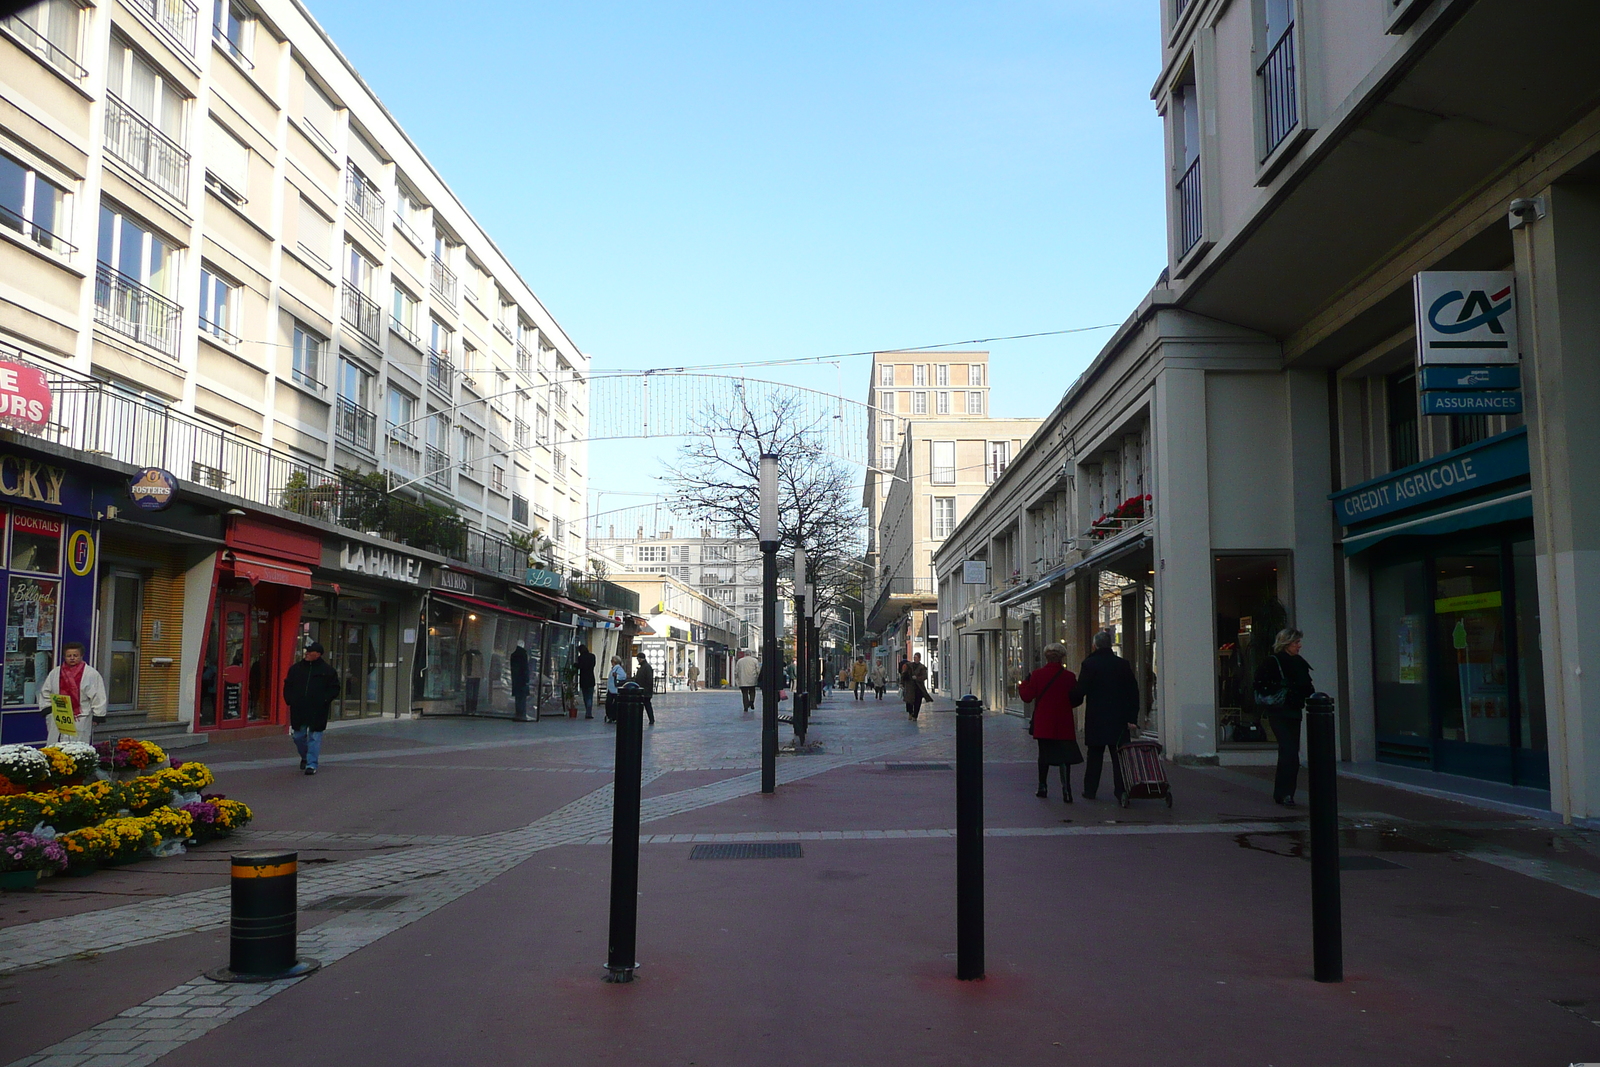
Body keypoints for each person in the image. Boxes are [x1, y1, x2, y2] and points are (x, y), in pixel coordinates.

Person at [1072, 631, 1140, 801]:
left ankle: (1090, 790)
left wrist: (1069, 702)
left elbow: (1081, 691)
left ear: (1095, 645)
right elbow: (1133, 692)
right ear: (1110, 645)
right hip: (1119, 718)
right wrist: (1132, 717)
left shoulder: (1089, 664)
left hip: (1097, 718)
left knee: (1094, 756)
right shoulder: (1122, 664)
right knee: (1120, 757)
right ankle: (1121, 790)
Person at [1258, 628, 1315, 806]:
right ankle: (1285, 794)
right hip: (1279, 711)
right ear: (1286, 643)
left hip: (1292, 711)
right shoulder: (1273, 662)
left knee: (1290, 752)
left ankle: (1285, 793)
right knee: (1289, 751)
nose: (1299, 646)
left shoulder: (1299, 662)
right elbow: (1260, 685)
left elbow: (1308, 687)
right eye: (1296, 642)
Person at [1018, 643, 1080, 802]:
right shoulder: (1069, 677)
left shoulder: (1037, 675)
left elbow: (1027, 697)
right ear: (1062, 657)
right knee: (1065, 757)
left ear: (1046, 657)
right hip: (1064, 720)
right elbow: (1076, 698)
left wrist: (1024, 683)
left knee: (1044, 754)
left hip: (1044, 720)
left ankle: (1042, 786)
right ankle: (1066, 789)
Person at [284, 641, 340, 775]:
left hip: (318, 709)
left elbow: (334, 688)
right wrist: (290, 700)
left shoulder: (327, 671)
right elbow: (288, 685)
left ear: (318, 654)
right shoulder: (295, 669)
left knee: (315, 736)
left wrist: (324, 700)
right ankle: (305, 756)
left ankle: (311, 764)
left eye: (310, 651)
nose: (307, 653)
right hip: (299, 708)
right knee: (298, 736)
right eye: (306, 651)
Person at [40, 642, 107, 744]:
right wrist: (48, 709)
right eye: (69, 656)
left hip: (81, 715)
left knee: (78, 745)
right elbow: (46, 691)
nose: (72, 658)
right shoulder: (55, 673)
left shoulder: (91, 674)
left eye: (75, 656)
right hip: (58, 714)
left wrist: (98, 715)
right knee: (56, 743)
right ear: (64, 657)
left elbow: (98, 696)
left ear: (81, 656)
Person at [902, 652, 929, 720]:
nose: (915, 659)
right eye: (914, 657)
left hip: (918, 687)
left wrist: (917, 678)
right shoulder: (909, 665)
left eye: (916, 657)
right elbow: (904, 674)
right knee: (909, 701)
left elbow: (924, 676)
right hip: (910, 687)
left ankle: (915, 715)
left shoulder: (922, 667)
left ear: (919, 659)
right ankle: (910, 713)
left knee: (917, 701)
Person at [575, 644, 597, 719]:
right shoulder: (592, 656)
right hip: (591, 678)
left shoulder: (580, 658)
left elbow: (580, 666)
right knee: (590, 697)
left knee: (585, 696)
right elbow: (593, 665)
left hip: (583, 679)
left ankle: (587, 711)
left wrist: (575, 665)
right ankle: (589, 712)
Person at [510, 640, 530, 721]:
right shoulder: (523, 655)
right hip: (522, 680)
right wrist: (527, 679)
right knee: (522, 698)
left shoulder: (513, 655)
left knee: (517, 698)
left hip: (516, 680)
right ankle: (522, 713)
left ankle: (518, 713)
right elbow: (525, 668)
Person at [604, 654, 629, 723]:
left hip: (614, 689)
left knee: (612, 703)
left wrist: (616, 676)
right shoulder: (614, 668)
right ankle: (611, 716)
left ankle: (613, 716)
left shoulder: (618, 668)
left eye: (612, 661)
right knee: (610, 703)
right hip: (611, 689)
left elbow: (623, 676)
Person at [634, 652, 656, 725]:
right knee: (644, 705)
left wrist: (646, 690)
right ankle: (647, 719)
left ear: (640, 659)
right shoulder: (643, 667)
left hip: (645, 691)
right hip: (642, 690)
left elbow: (649, 679)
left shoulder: (646, 667)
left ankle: (651, 719)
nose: (637, 660)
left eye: (638, 659)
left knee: (647, 705)